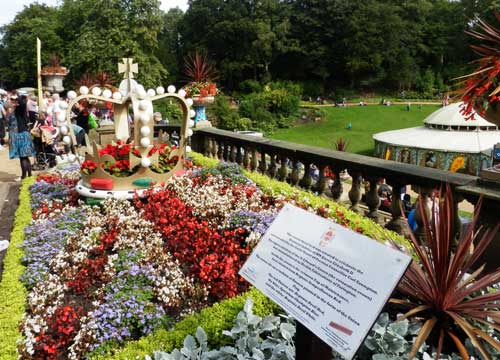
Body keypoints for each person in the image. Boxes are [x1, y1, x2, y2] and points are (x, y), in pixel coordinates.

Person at [6, 96, 36, 179]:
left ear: (18, 103)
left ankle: (24, 176)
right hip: (24, 134)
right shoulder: (20, 111)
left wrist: (17, 100)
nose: (14, 103)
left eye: (16, 102)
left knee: (22, 157)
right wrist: (17, 102)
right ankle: (29, 175)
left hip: (20, 135)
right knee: (25, 157)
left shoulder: (19, 110)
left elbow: (22, 104)